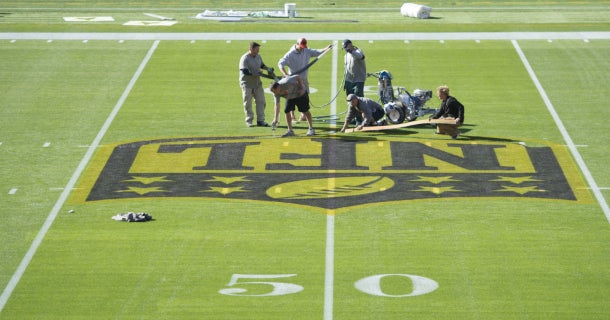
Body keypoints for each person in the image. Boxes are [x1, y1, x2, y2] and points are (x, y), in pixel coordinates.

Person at [278, 38, 332, 123]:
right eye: (301, 46)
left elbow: (317, 52)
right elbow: (280, 63)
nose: (303, 48)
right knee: (291, 97)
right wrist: (285, 75)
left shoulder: (306, 50)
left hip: (303, 79)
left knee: (304, 96)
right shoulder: (290, 54)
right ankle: (292, 116)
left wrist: (326, 48)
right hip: (293, 80)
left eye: (304, 46)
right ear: (297, 44)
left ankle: (303, 115)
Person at [239, 41, 272, 127]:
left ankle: (260, 121)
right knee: (247, 103)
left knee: (261, 102)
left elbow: (262, 65)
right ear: (251, 49)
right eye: (257, 49)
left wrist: (267, 69)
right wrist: (254, 74)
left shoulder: (258, 56)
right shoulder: (245, 58)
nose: (258, 51)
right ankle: (249, 121)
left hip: (257, 83)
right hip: (247, 84)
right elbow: (244, 71)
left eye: (258, 49)